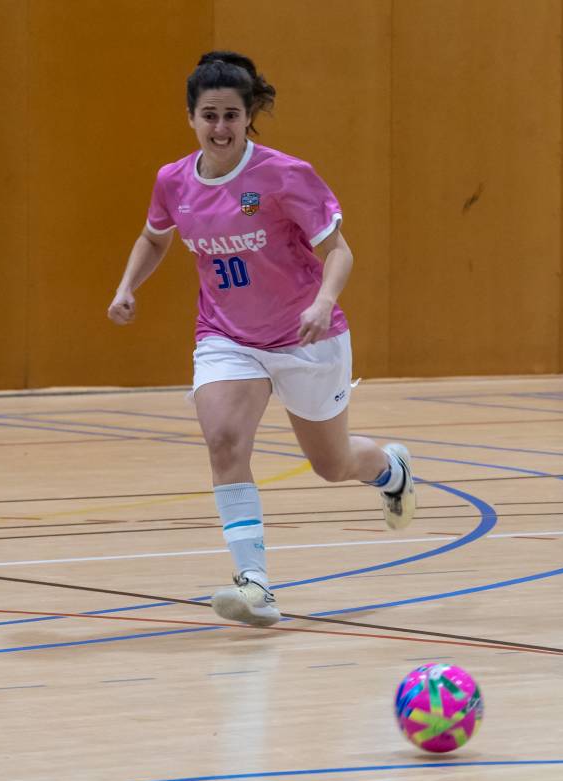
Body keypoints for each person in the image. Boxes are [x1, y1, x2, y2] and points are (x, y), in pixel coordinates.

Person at [107, 51, 415, 627]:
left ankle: (390, 468)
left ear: (249, 117)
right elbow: (154, 237)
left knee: (331, 463)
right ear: (191, 117)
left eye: (232, 115)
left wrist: (323, 302)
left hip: (304, 335)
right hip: (226, 334)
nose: (220, 127)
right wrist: (127, 286)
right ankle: (255, 586)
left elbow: (339, 251)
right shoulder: (173, 181)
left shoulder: (284, 175)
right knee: (224, 441)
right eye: (209, 115)